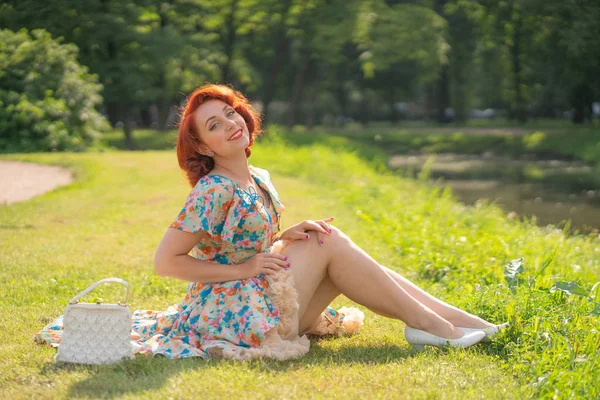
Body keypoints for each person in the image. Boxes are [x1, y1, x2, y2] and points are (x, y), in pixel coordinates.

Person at [34, 83, 506, 360]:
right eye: (213, 126)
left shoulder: (256, 176)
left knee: (324, 237)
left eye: (229, 114)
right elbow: (167, 262)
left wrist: (284, 234)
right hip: (233, 311)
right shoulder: (213, 188)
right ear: (203, 146)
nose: (229, 125)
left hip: (261, 294)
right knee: (332, 242)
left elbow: (241, 240)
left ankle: (463, 322)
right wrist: (243, 269)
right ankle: (434, 329)